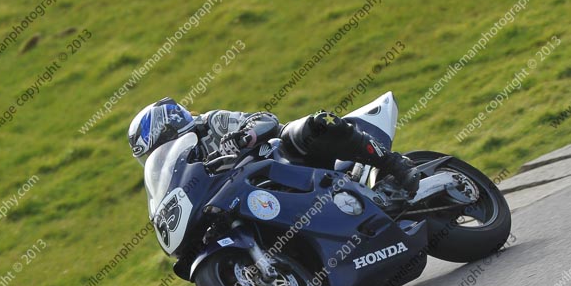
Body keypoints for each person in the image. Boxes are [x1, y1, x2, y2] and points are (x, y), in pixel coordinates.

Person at [127, 97, 419, 193]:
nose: (159, 157)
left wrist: (246, 136)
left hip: (286, 159)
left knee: (313, 126)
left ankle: (393, 163)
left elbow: (264, 119)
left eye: (158, 148)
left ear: (170, 130)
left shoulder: (211, 123)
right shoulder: (183, 168)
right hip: (261, 191)